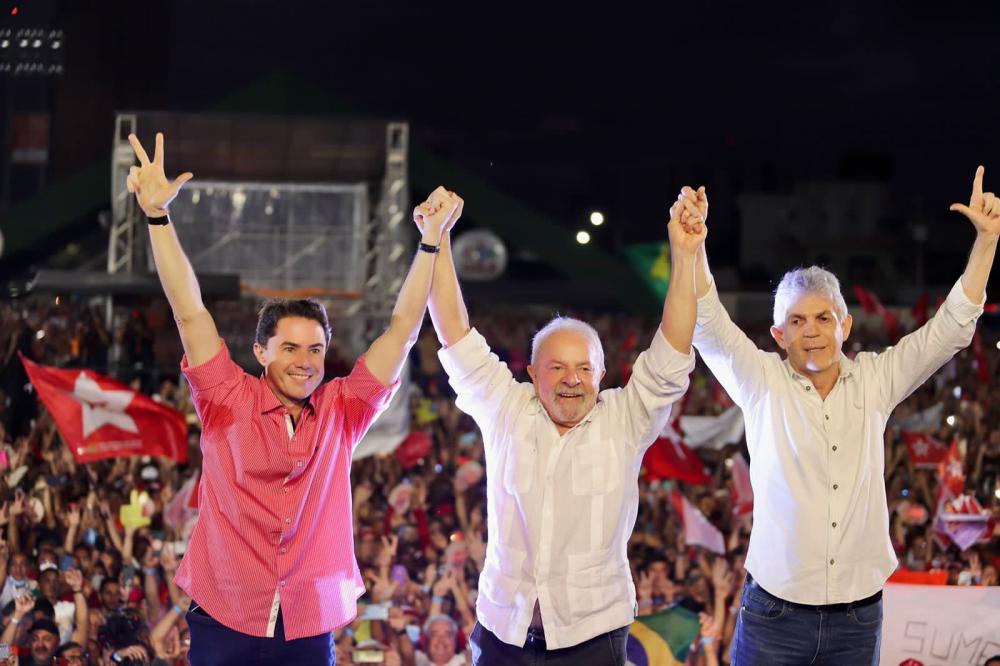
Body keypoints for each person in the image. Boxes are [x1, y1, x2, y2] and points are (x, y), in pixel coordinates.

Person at [125, 132, 460, 665]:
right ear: (260, 351)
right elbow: (188, 310)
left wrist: (430, 243)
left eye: (316, 349)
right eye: (289, 348)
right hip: (226, 611)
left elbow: (401, 331)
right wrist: (157, 217)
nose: (305, 361)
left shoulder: (342, 411)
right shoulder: (225, 396)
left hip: (307, 620)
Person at [682, 166, 1000, 665]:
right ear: (779, 335)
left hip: (857, 618)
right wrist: (693, 248)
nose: (811, 331)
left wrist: (986, 243)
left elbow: (950, 331)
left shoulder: (876, 380)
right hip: (774, 616)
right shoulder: (761, 382)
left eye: (823, 318)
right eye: (797, 320)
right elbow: (707, 323)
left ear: (845, 326)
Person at [419, 187, 705, 664]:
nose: (572, 380)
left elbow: (673, 350)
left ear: (601, 374)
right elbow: (454, 334)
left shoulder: (624, 420)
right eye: (556, 368)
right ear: (533, 374)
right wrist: (439, 239)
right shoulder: (507, 410)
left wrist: (686, 254)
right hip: (504, 634)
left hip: (594, 638)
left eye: (584, 368)